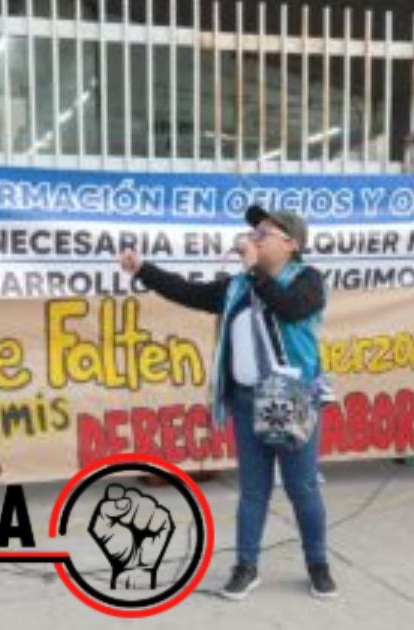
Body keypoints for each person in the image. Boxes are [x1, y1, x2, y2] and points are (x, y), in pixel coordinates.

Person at [119, 205, 335, 601]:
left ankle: (318, 564)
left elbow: (290, 308)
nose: (253, 238)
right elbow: (187, 292)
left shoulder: (308, 279)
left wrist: (254, 271)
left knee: (302, 487)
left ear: (291, 243)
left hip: (291, 397)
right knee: (253, 490)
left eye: (263, 233)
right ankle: (246, 566)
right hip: (247, 399)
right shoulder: (237, 288)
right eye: (253, 233)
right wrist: (143, 269)